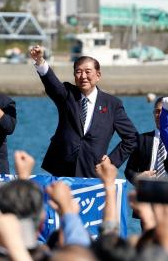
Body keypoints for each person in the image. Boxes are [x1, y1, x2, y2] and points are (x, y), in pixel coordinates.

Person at [28, 46, 137, 178]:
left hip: (92, 170)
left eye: (88, 71)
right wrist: (40, 61)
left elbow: (131, 138)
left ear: (98, 75)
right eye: (78, 72)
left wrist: (111, 161)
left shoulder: (112, 104)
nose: (83, 76)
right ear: (74, 75)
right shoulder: (67, 94)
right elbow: (52, 84)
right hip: (61, 169)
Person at [125, 97, 168, 184]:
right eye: (157, 111)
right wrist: (138, 177)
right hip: (146, 191)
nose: (160, 115)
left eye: (165, 112)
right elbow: (129, 170)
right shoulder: (142, 139)